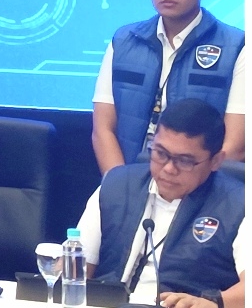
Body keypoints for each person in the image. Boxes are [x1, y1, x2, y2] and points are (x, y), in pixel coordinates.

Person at [93, 0, 245, 173]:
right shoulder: (124, 41)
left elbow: (235, 146)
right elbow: (103, 130)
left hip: (200, 186)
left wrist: (178, 186)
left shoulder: (237, 46)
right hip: (128, 180)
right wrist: (121, 186)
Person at [78, 98, 245, 308]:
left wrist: (212, 302)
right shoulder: (116, 185)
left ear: (216, 161)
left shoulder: (239, 205)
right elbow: (76, 267)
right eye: (161, 154)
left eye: (184, 161)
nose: (168, 168)